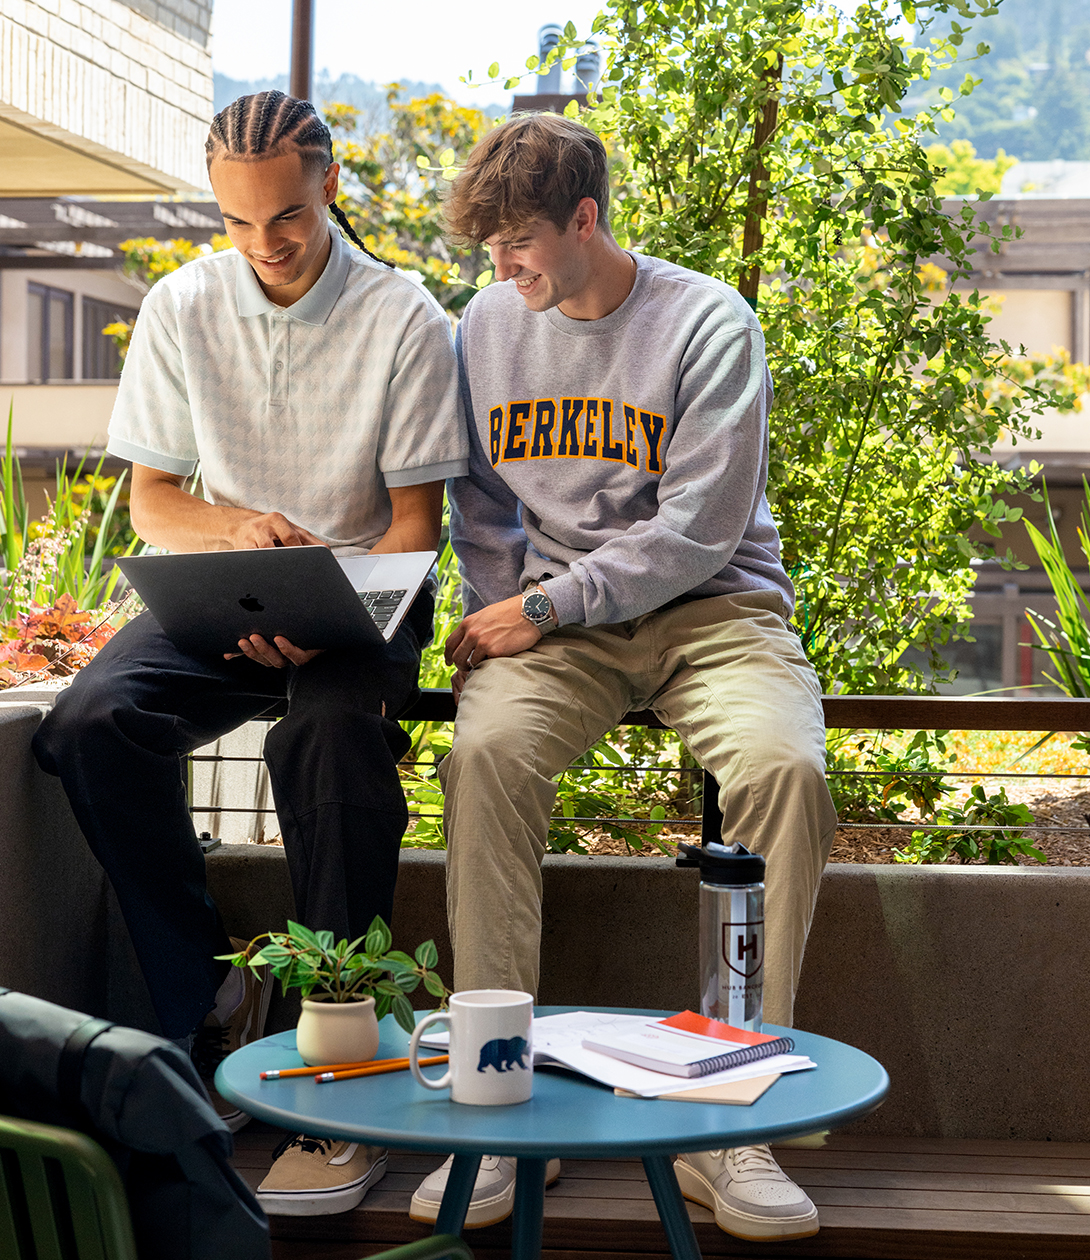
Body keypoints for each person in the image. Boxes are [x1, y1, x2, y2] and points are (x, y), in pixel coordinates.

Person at [32, 91, 466, 1216]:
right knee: (90, 723)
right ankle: (210, 991)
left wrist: (326, 605)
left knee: (325, 737)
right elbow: (158, 503)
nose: (263, 242)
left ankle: (341, 1050)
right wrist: (236, 540)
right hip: (224, 588)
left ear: (327, 183)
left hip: (366, 600)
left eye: (283, 215)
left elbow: (416, 527)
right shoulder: (182, 306)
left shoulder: (405, 317)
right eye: (235, 222)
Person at [408, 113, 836, 1243]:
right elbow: (483, 505)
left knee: (786, 771)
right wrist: (503, 608)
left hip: (713, 609)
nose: (498, 270)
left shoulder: (706, 321)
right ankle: (495, 1106)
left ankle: (728, 1123)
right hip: (559, 626)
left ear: (585, 218)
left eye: (517, 246)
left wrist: (545, 602)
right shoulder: (485, 325)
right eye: (487, 252)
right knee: (485, 759)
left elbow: (700, 529)